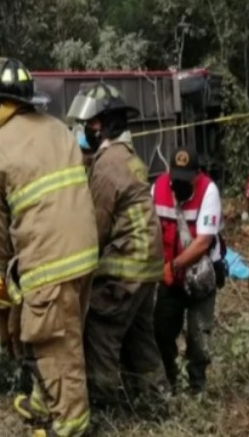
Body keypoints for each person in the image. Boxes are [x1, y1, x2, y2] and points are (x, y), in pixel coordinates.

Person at [0, 58, 97, 437]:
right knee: (60, 333)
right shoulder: (60, 129)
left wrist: (7, 274)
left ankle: (71, 426)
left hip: (49, 264)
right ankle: (41, 401)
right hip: (84, 255)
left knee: (55, 348)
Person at [67, 83, 168, 410]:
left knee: (101, 329)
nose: (88, 130)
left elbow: (95, 226)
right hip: (147, 264)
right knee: (140, 336)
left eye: (92, 124)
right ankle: (155, 400)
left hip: (125, 266)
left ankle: (105, 403)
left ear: (106, 124)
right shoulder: (127, 157)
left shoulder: (108, 164)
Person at [152, 146, 224, 394]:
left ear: (197, 173)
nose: (180, 184)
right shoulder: (158, 188)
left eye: (186, 179)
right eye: (176, 178)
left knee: (198, 338)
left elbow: (203, 242)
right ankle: (169, 382)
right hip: (169, 276)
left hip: (199, 276)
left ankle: (197, 388)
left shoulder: (208, 191)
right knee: (161, 331)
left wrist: (174, 265)